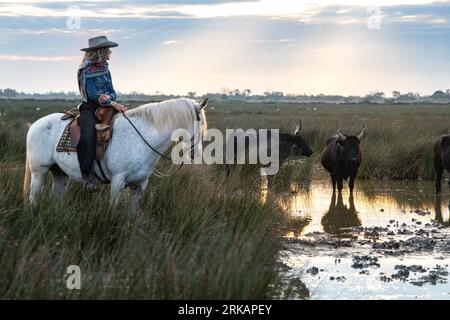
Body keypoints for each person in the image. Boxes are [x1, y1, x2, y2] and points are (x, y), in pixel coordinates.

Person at [77, 36, 128, 192]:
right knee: (88, 136)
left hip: (108, 106)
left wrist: (111, 99)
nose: (110, 53)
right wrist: (111, 102)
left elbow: (112, 91)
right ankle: (87, 176)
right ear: (100, 51)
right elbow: (92, 93)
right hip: (90, 108)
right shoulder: (86, 69)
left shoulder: (105, 68)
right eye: (107, 50)